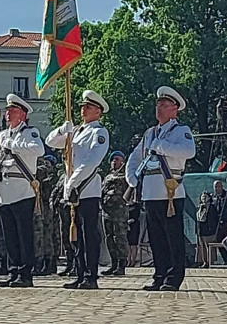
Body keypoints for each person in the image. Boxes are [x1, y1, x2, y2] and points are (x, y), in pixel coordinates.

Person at [126, 87, 197, 292]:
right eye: (158, 104)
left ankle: (173, 278)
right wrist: (132, 179)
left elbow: (188, 151)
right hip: (150, 192)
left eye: (164, 105)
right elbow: (135, 157)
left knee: (173, 238)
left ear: (175, 109)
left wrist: (160, 146)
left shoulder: (181, 131)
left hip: (170, 193)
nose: (159, 108)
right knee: (156, 239)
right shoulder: (150, 133)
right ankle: (159, 275)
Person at [45, 89, 111, 290]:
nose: (83, 109)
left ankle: (91, 275)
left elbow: (91, 161)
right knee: (75, 235)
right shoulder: (75, 132)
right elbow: (50, 142)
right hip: (72, 190)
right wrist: (62, 130)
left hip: (87, 188)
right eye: (83, 106)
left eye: (88, 107)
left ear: (98, 112)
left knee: (89, 234)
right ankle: (80, 272)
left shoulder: (99, 132)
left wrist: (72, 182)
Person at [0, 94, 46, 288]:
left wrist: (13, 145)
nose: (8, 113)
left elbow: (39, 150)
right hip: (4, 191)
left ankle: (26, 274)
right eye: (7, 110)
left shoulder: (30, 133)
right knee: (9, 235)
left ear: (23, 114)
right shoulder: (1, 135)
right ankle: (13, 271)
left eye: (12, 110)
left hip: (22, 190)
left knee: (24, 235)